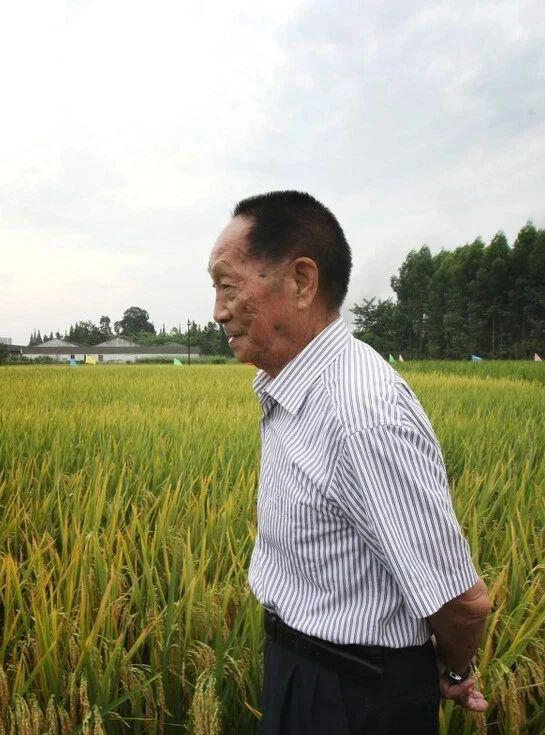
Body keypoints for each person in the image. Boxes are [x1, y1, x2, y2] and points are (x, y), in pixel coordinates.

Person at [207, 191, 491, 734]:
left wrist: (456, 668)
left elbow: (462, 603)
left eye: (227, 285)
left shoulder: (361, 414)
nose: (218, 310)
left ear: (301, 281)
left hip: (353, 697)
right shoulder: (293, 388)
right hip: (305, 671)